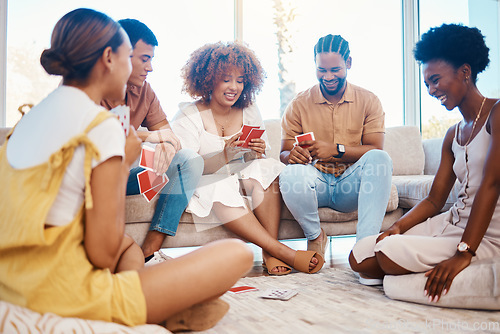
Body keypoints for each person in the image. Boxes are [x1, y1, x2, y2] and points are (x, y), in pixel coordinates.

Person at [0, 8, 253, 329]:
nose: (140, 67)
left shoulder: (29, 118)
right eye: (129, 57)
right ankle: (140, 309)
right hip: (60, 293)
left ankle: (151, 302)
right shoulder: (100, 127)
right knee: (237, 254)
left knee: (130, 249)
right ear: (109, 58)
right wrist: (122, 163)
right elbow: (102, 255)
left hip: (10, 279)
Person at [349, 23, 500, 302]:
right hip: (449, 223)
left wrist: (463, 252)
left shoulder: (497, 113)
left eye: (435, 79)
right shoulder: (452, 134)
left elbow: (491, 185)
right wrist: (397, 228)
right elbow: (434, 200)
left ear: (465, 71)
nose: (431, 90)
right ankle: (410, 270)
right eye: (427, 83)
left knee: (386, 256)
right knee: (360, 255)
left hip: (487, 233)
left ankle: (452, 267)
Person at [171, 41, 324, 275]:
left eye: (240, 80)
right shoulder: (189, 114)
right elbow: (188, 167)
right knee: (219, 183)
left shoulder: (249, 109)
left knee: (267, 166)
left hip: (238, 174)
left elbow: (253, 160)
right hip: (205, 178)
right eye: (226, 79)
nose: (234, 87)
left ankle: (269, 252)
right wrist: (224, 155)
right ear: (208, 78)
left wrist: (257, 150)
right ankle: (282, 251)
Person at [279, 34, 393, 278]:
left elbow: (375, 148)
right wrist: (292, 155)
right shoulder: (299, 103)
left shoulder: (369, 100)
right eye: (321, 70)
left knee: (381, 160)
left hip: (349, 185)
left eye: (335, 69)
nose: (328, 77)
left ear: (348, 63)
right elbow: (284, 151)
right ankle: (315, 236)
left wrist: (337, 150)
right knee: (290, 174)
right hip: (315, 182)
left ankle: (364, 249)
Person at [101, 19, 203, 265]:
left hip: (123, 178)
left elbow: (168, 134)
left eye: (151, 60)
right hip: (92, 178)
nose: (150, 67)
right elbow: (101, 135)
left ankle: (150, 252)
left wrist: (167, 146)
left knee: (188, 160)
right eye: (144, 59)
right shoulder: (90, 87)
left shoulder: (144, 90)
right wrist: (151, 136)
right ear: (117, 55)